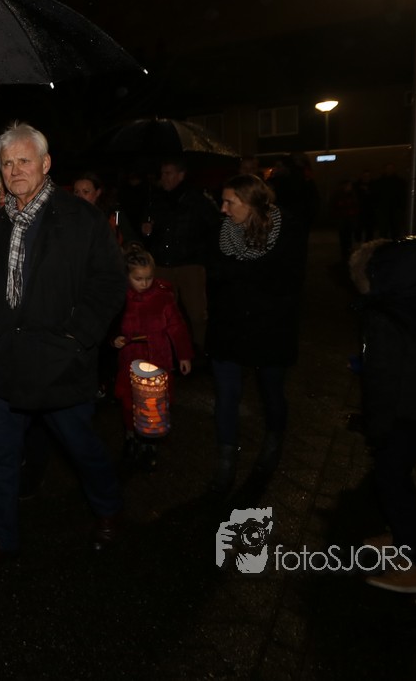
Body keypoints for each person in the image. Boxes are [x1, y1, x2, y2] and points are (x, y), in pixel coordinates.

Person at [0, 122, 126, 576]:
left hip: (59, 361)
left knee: (81, 446)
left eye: (24, 161)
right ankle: (1, 538)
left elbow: (109, 283)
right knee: (2, 457)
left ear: (46, 164)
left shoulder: (80, 218)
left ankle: (108, 510)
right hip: (9, 361)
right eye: (7, 163)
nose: (15, 170)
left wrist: (78, 336)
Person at [348, 237, 416, 594]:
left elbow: (382, 378)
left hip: (401, 413)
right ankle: (402, 537)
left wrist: (376, 427)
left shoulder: (384, 316)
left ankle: (414, 566)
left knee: (391, 481)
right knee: (397, 476)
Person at [204, 174, 308, 494]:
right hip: (228, 326)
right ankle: (226, 461)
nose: (223, 209)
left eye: (229, 202)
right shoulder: (221, 230)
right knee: (226, 395)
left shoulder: (288, 229)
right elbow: (214, 272)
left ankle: (273, 442)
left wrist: (240, 274)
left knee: (271, 392)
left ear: (250, 203)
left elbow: (288, 281)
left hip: (270, 328)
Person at [111, 243, 193, 472]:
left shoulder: (163, 298)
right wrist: (115, 339)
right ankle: (131, 437)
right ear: (127, 276)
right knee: (129, 403)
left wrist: (184, 355)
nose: (144, 283)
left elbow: (177, 326)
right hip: (130, 361)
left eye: (148, 278)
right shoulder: (120, 299)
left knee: (154, 405)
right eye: (138, 279)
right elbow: (111, 325)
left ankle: (150, 443)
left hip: (158, 360)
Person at [140, 157, 219, 352]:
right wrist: (148, 231)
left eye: (168, 173)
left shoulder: (197, 199)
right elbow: (151, 227)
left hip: (189, 263)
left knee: (196, 312)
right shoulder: (157, 199)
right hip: (163, 264)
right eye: (162, 173)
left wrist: (201, 252)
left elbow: (212, 228)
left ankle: (201, 348)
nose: (164, 178)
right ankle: (169, 348)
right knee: (164, 311)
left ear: (181, 175)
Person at [72, 170, 139, 246]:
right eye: (76, 192)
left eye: (85, 192)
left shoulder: (112, 214)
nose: (80, 197)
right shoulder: (69, 216)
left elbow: (132, 240)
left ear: (97, 192)